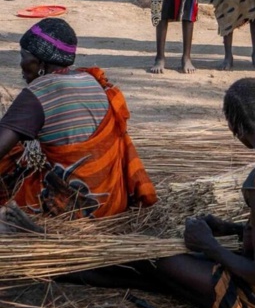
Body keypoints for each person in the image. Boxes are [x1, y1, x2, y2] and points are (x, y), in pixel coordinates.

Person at [71, 78, 255, 308]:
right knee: (151, 274)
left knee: (152, 260)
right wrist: (227, 228)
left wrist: (209, 245)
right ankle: (70, 270)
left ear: (236, 129)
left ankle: (73, 268)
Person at [0, 19, 157, 218]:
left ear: (40, 63)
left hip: (70, 208)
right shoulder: (93, 81)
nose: (21, 65)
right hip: (112, 201)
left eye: (24, 57)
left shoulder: (38, 93)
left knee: (9, 158)